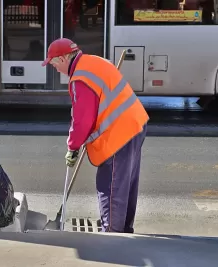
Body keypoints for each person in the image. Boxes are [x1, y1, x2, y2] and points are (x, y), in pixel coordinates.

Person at [42, 38, 149, 233]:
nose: (55, 69)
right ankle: (124, 229)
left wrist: (73, 147)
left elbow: (82, 120)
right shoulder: (95, 61)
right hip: (135, 124)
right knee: (126, 183)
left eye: (54, 63)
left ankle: (112, 234)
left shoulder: (80, 79)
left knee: (111, 186)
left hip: (118, 134)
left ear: (65, 57)